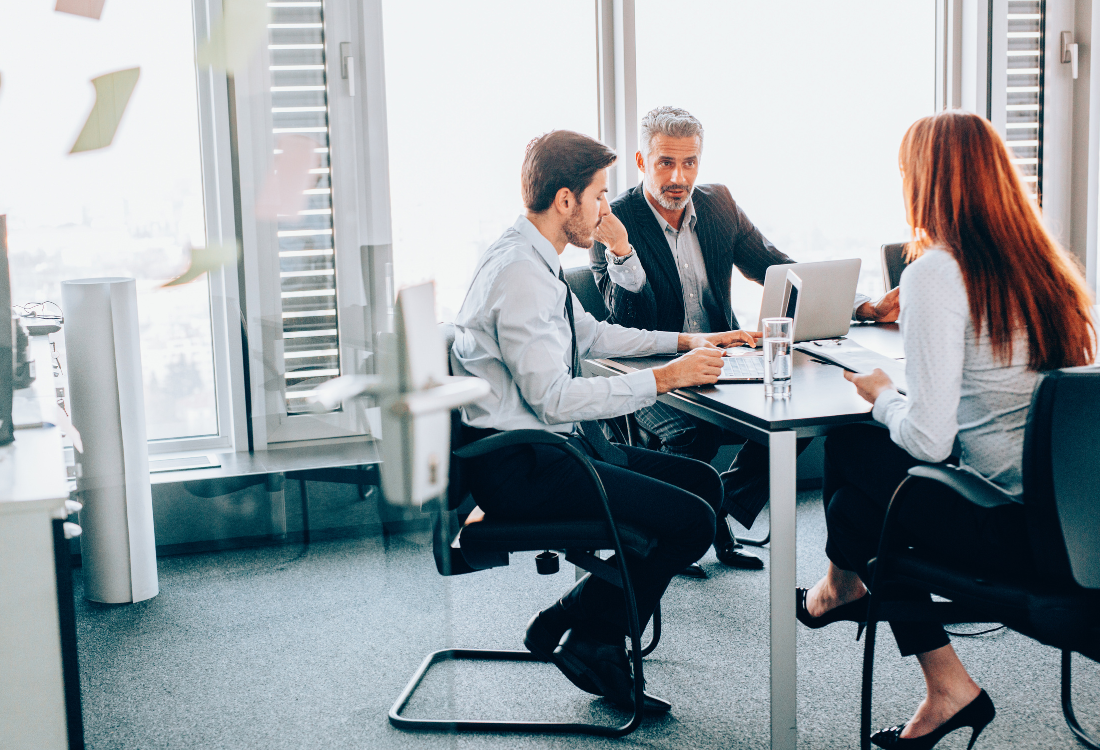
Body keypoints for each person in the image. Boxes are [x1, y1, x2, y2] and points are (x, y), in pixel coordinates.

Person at [797, 110, 1096, 748]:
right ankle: (854, 601)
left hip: (1016, 532)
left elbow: (931, 442)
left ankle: (857, 603)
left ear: (927, 181)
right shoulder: (1048, 266)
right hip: (1081, 526)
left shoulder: (937, 271)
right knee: (862, 485)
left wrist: (882, 396)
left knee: (854, 470)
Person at [451, 129, 760, 711]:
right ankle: (594, 639)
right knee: (691, 522)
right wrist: (666, 378)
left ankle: (576, 614)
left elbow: (590, 335)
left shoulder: (530, 256)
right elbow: (557, 400)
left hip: (546, 449)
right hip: (527, 465)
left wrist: (690, 339)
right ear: (565, 200)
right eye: (597, 196)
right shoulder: (520, 275)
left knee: (702, 484)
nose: (604, 208)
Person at [590, 106, 901, 569]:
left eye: (690, 162)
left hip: (723, 354)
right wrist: (622, 251)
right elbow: (627, 320)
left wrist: (862, 305)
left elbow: (775, 265)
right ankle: (691, 523)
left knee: (801, 415)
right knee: (695, 436)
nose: (679, 176)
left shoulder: (719, 204)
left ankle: (717, 507)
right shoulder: (613, 222)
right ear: (641, 161)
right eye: (665, 163)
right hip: (655, 363)